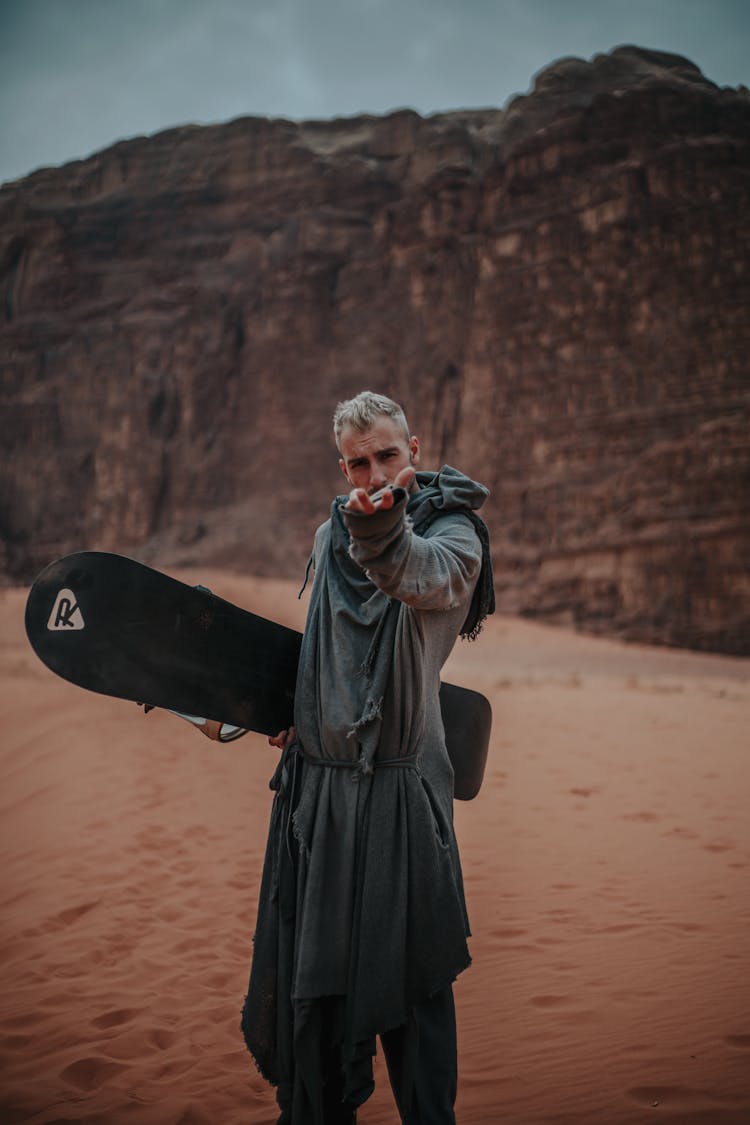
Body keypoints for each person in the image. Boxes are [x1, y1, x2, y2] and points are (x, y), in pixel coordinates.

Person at [241, 391, 494, 1124]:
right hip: (320, 806)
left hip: (401, 809)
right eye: (357, 462)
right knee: (316, 1021)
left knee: (416, 1021)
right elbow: (330, 653)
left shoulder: (455, 535)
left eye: (387, 455)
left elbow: (416, 574)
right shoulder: (332, 533)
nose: (373, 473)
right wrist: (306, 716)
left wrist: (380, 528)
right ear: (342, 464)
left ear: (414, 447)